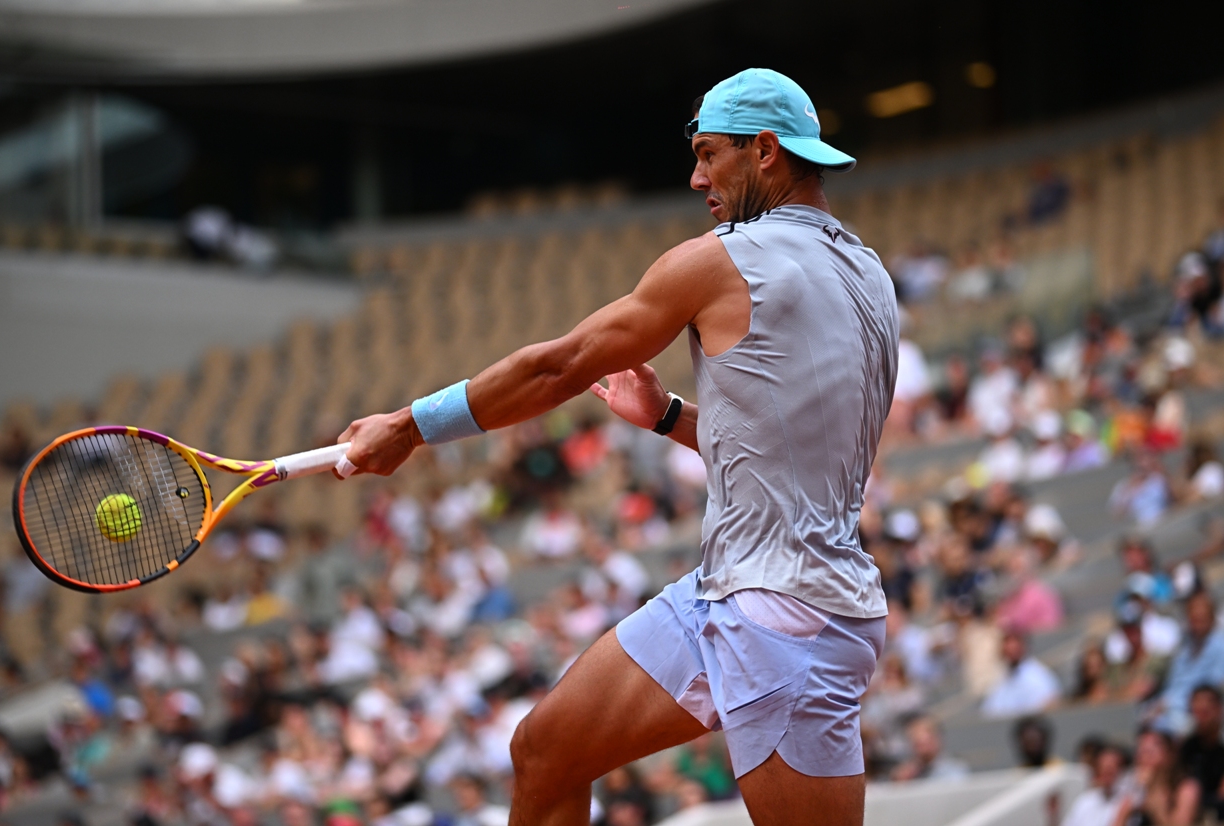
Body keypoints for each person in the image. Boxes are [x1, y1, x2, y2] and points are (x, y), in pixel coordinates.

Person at [336, 67, 895, 826]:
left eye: (709, 154)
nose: (697, 178)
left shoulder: (721, 258)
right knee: (545, 751)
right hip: (731, 592)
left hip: (788, 620)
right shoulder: (869, 275)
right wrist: (667, 416)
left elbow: (559, 366)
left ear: (765, 151)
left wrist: (409, 425)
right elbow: (790, 452)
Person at [1154, 591, 1224, 736]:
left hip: (1196, 712)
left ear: (1211, 618)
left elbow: (1214, 686)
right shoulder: (1184, 648)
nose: (1196, 625)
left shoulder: (1220, 646)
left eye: (1201, 619)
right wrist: (1164, 702)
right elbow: (1173, 684)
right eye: (1193, 619)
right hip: (1172, 709)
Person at [981, 631, 1060, 719]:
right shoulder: (1001, 679)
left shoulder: (1040, 677)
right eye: (1007, 644)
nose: (1011, 649)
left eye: (1015, 644)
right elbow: (990, 710)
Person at [1177, 685, 1224, 821]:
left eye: (1207, 711)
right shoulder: (1186, 745)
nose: (1202, 717)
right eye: (1198, 711)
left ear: (1219, 709)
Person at [1062, 742, 1127, 826]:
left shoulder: (1127, 802)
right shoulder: (1085, 800)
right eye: (1103, 768)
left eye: (1110, 771)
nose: (1106, 775)